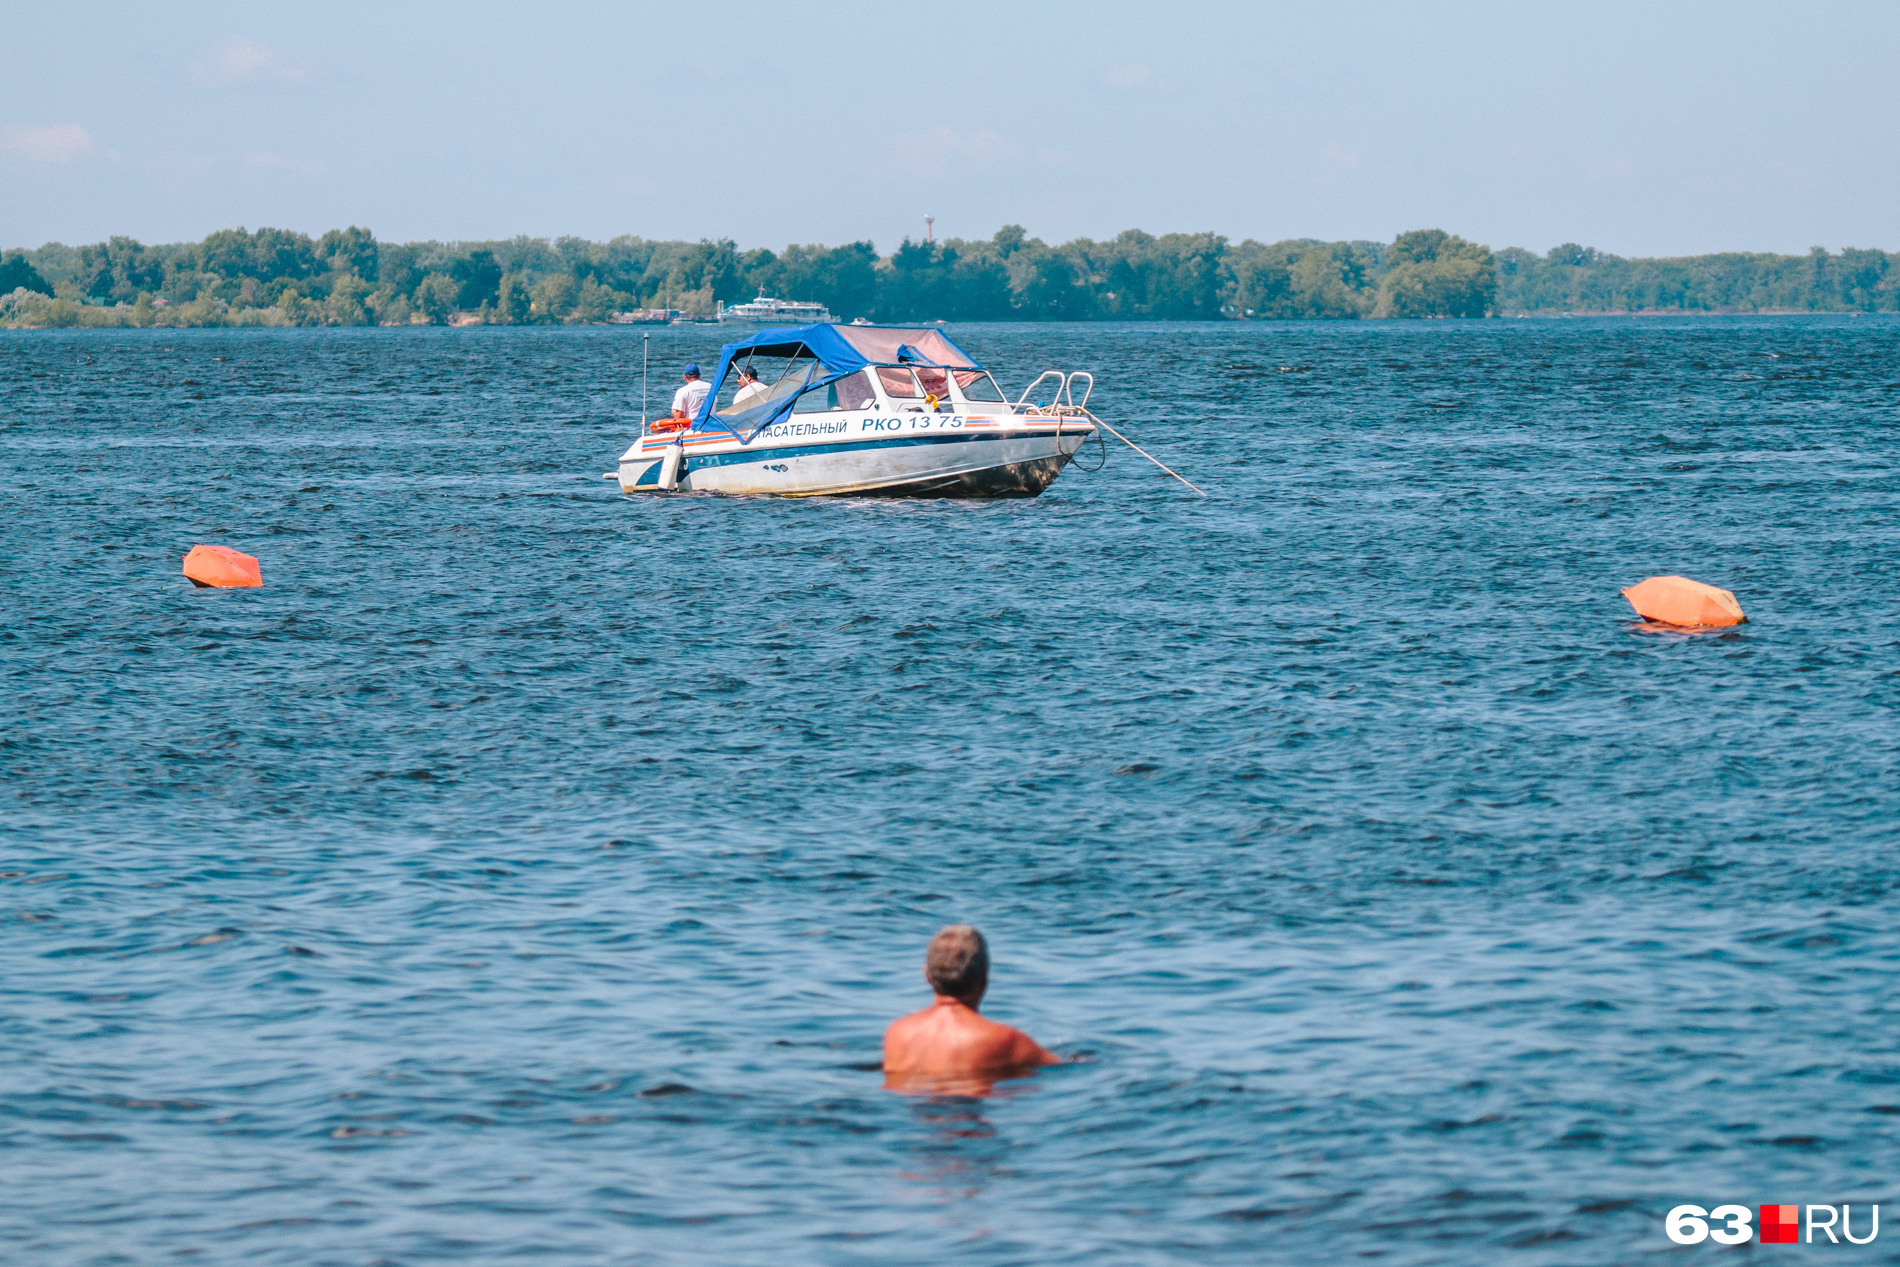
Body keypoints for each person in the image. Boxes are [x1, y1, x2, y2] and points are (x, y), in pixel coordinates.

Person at [883, 925, 1057, 1092]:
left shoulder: (896, 1033)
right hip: (970, 1112)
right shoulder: (1004, 1039)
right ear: (984, 979)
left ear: (927, 975)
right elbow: (1058, 1066)